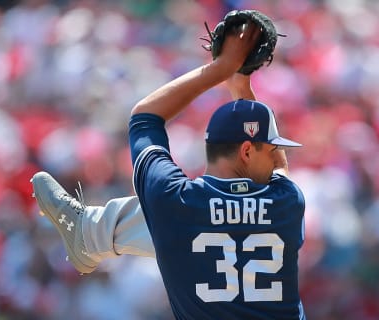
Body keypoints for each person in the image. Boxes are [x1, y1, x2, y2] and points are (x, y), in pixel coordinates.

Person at [32, 20, 306, 320]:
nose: (280, 154)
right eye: (271, 147)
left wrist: (222, 69)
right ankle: (91, 232)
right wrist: (241, 85)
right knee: (171, 224)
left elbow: (145, 117)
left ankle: (91, 231)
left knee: (165, 220)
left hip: (181, 228)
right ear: (246, 151)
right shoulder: (287, 203)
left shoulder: (176, 200)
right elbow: (279, 168)